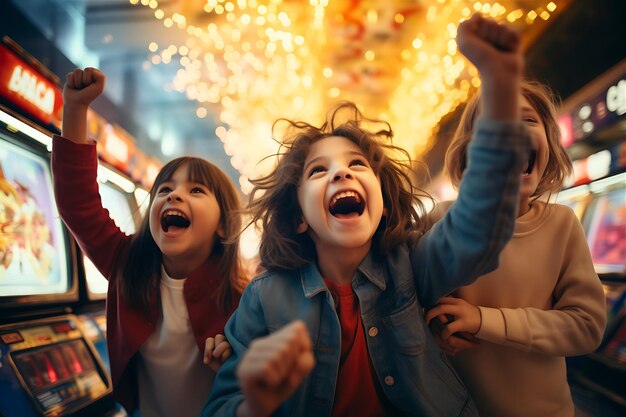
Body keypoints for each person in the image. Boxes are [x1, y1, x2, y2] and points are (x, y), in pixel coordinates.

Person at [203, 13, 534, 417]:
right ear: (298, 218)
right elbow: (220, 404)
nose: (341, 172)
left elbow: (476, 229)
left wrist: (499, 93)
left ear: (382, 202)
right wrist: (252, 404)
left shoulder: (411, 266)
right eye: (318, 170)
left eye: (357, 164)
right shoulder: (265, 297)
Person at [52, 67, 245, 417]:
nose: (174, 197)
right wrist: (76, 108)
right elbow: (78, 204)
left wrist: (238, 364)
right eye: (165, 190)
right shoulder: (126, 264)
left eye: (196, 190)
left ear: (223, 226)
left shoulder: (243, 295)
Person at [424, 79, 607, 417]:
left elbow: (587, 326)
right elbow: (404, 306)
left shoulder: (562, 225)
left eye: (527, 120)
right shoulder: (439, 222)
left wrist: (482, 320)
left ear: (549, 142)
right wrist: (431, 330)